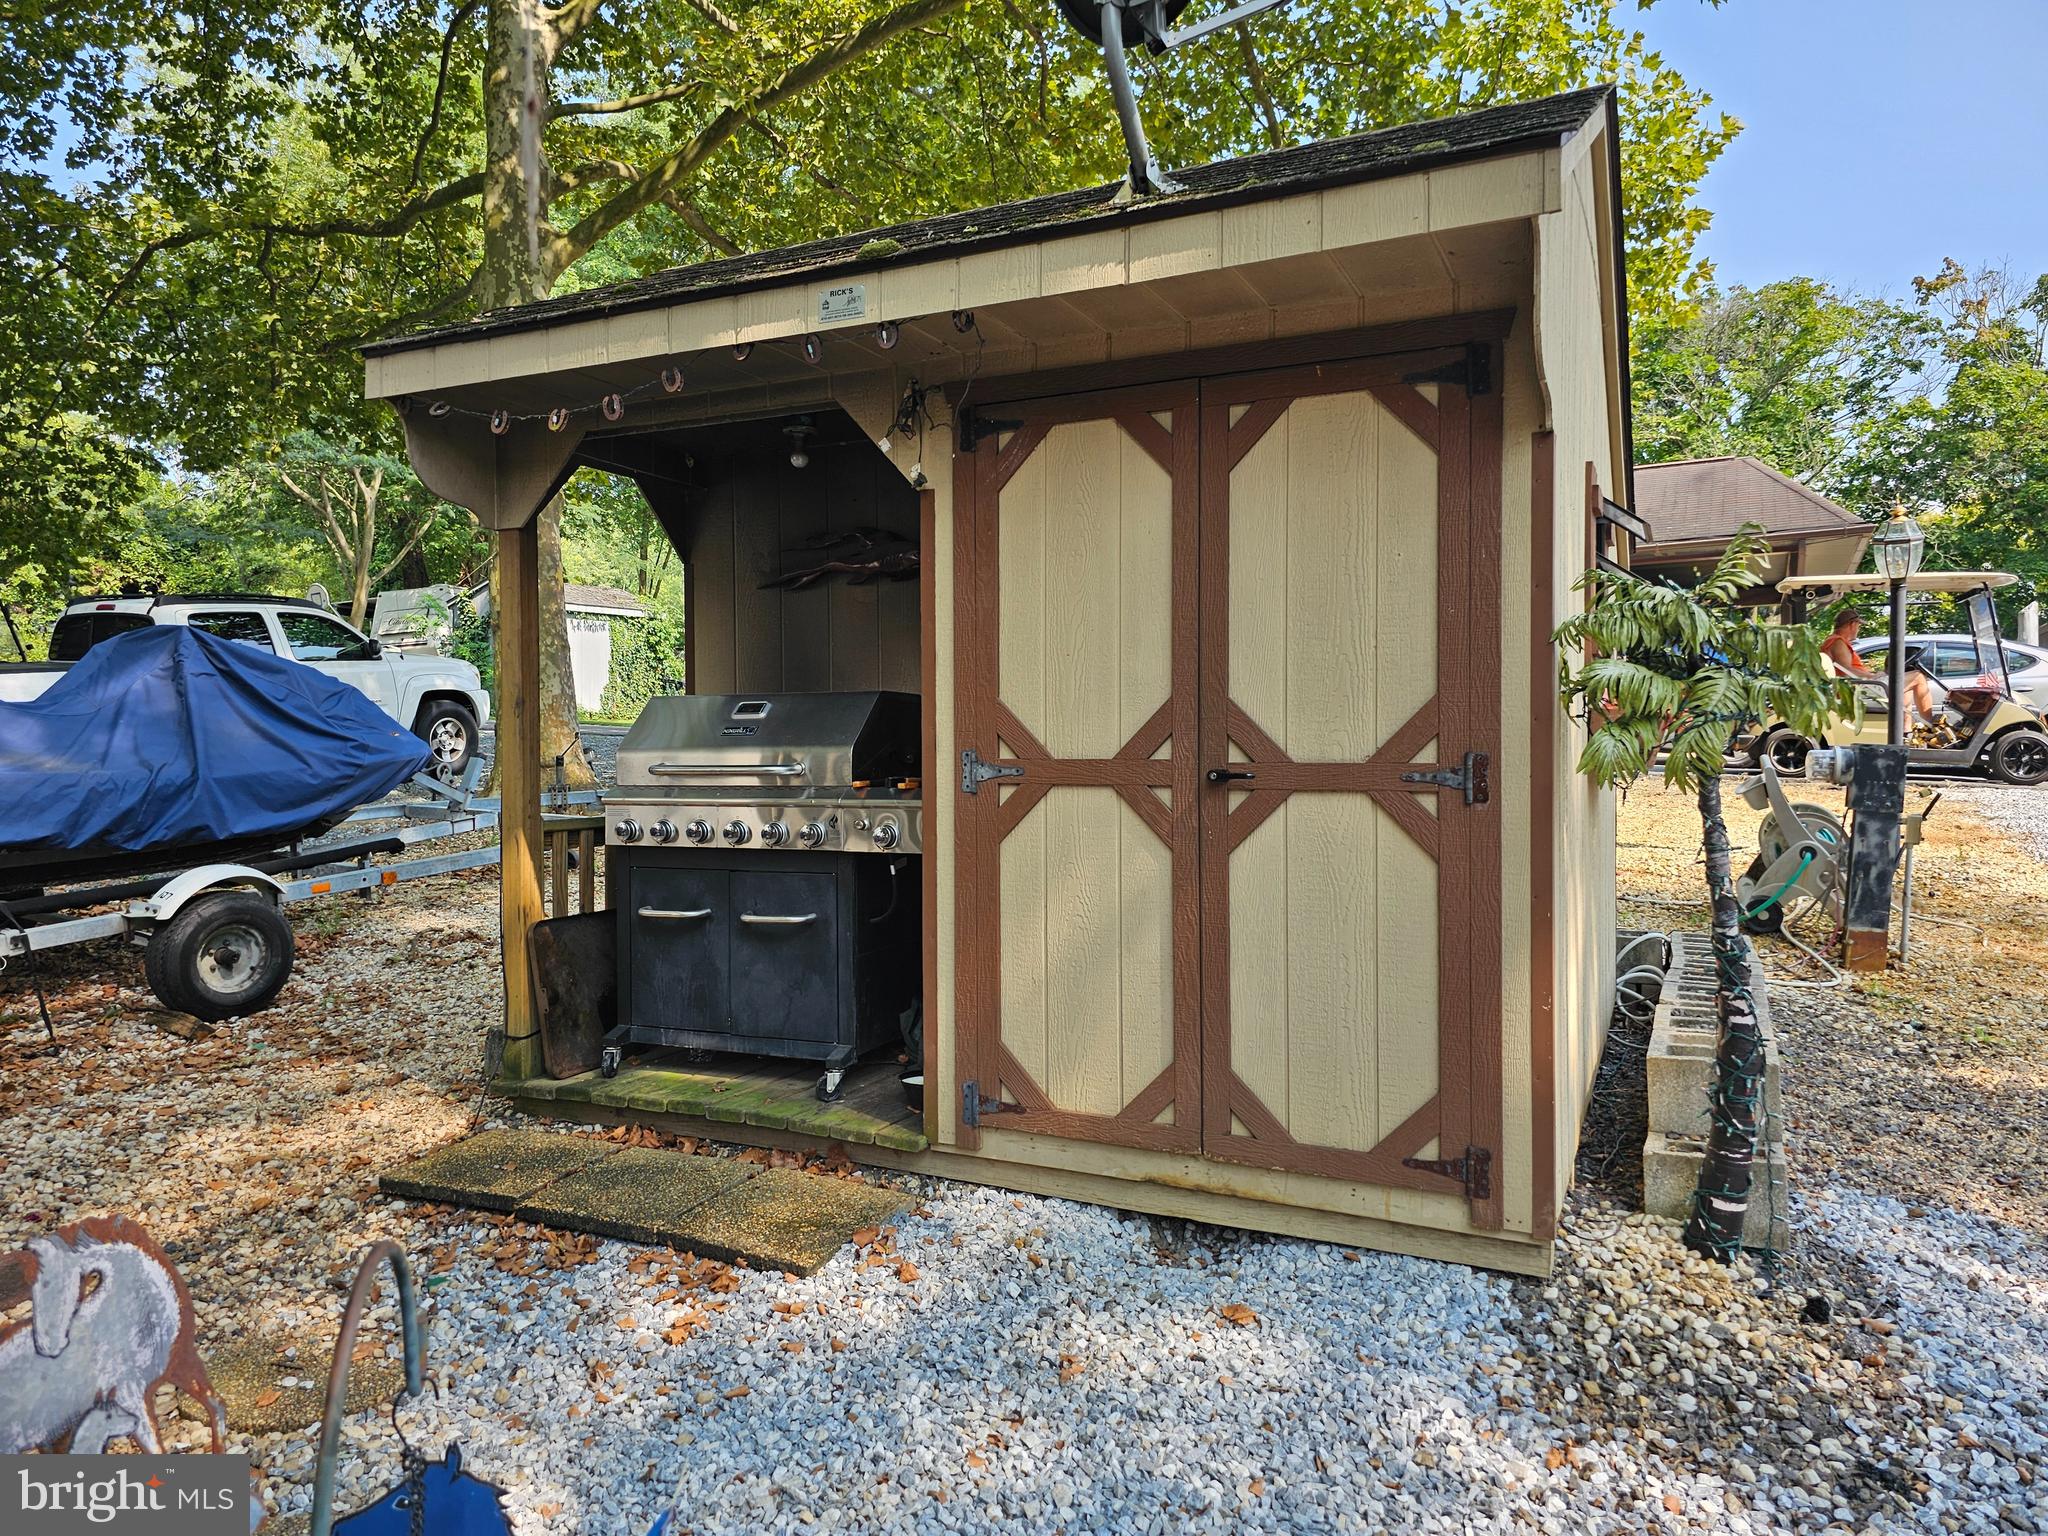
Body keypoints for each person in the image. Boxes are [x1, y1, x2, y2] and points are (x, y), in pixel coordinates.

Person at [1821, 610, 1938, 722]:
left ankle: (1906, 732)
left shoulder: (1833, 641)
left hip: (1859, 686)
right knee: (1918, 677)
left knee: (1906, 685)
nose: (1858, 630)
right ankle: (1929, 724)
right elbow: (1847, 671)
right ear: (1852, 624)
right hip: (1859, 689)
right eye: (1859, 626)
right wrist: (1873, 676)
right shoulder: (1838, 642)